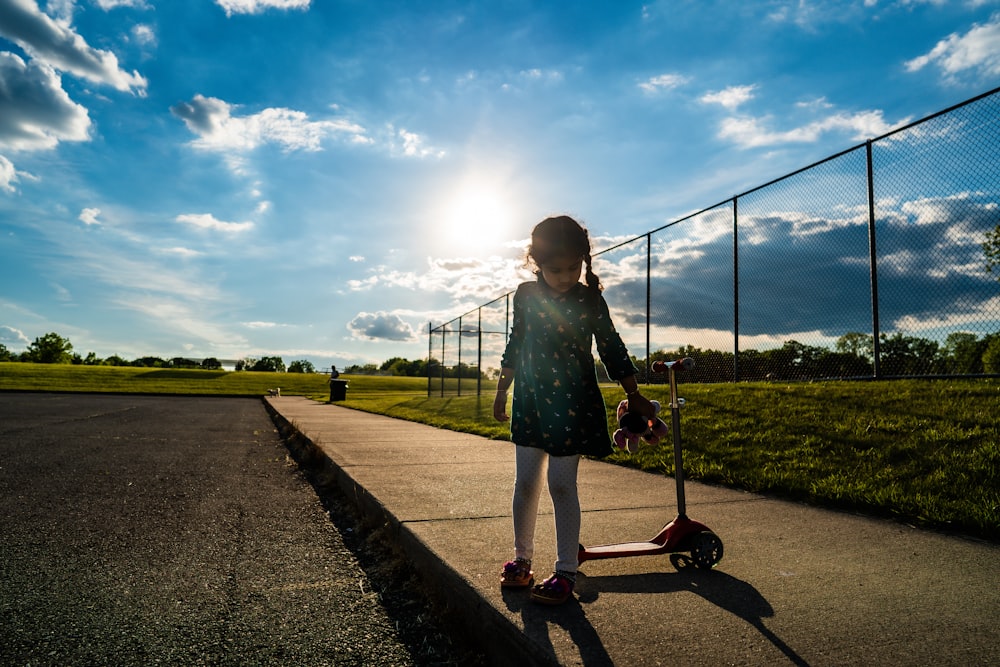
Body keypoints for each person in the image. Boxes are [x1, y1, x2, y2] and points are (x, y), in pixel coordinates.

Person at [493, 215, 654, 605]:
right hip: (530, 402)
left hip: (572, 405)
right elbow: (516, 344)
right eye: (555, 269)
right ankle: (522, 559)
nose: (565, 277)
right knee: (526, 483)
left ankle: (565, 569)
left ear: (584, 262)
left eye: (573, 268)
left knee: (562, 485)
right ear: (537, 264)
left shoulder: (589, 300)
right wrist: (502, 390)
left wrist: (632, 392)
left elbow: (611, 346)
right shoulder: (526, 295)